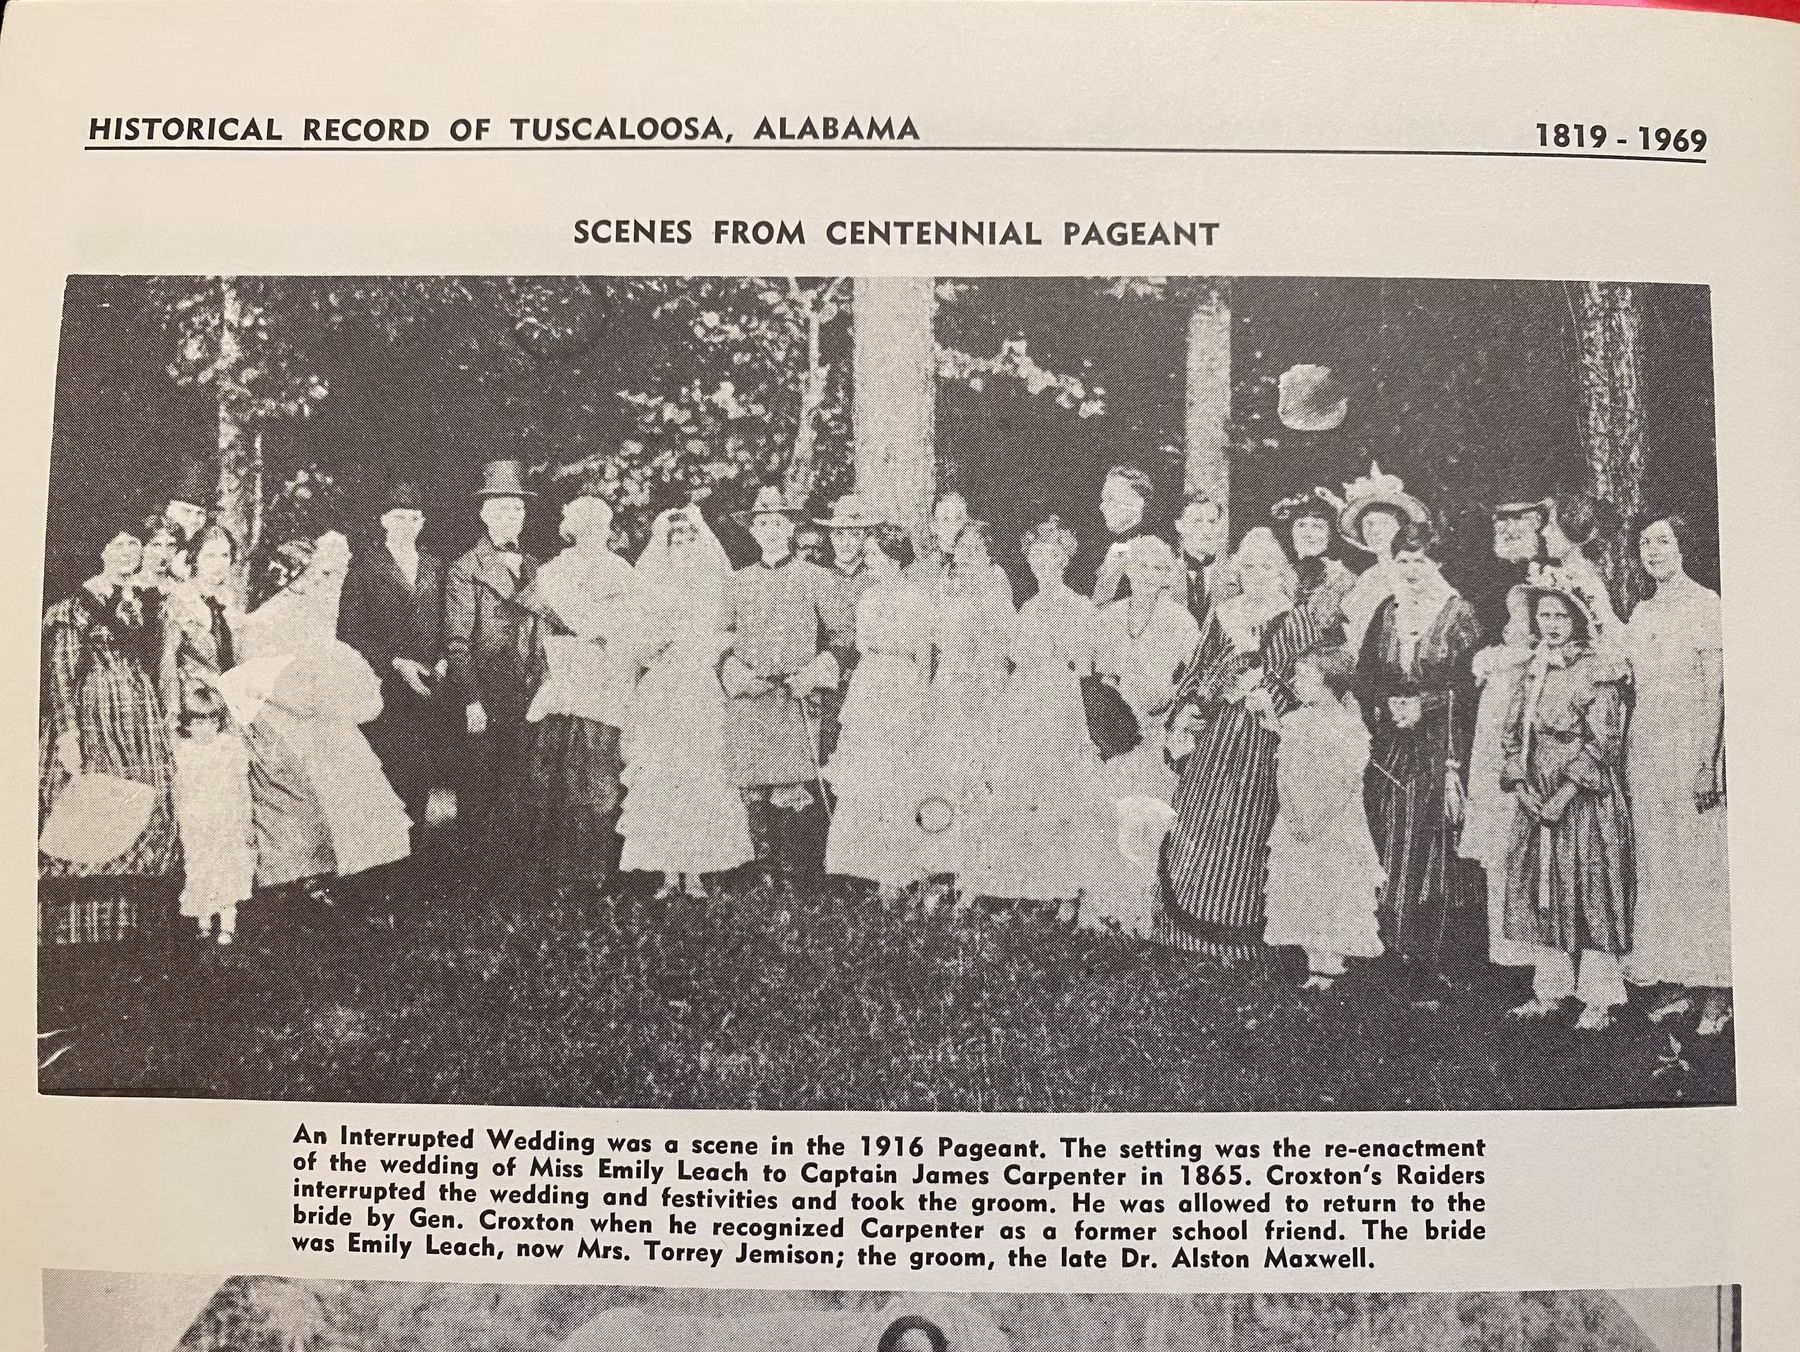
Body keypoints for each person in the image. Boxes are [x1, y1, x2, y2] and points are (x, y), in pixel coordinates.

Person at [1161, 526, 1323, 961]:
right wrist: (1193, 704)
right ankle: (1189, 931)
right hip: (1219, 730)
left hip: (1265, 736)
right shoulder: (1224, 612)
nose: (1256, 574)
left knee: (1247, 827)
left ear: (1282, 572)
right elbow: (1198, 670)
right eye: (1247, 566)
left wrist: (1268, 686)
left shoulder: (1296, 618)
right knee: (1201, 819)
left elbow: (1308, 685)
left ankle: (1241, 937)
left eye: (1266, 566)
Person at [236, 532, 412, 891]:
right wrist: (319, 697)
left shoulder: (313, 615)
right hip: (285, 721)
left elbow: (337, 665)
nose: (318, 583)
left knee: (356, 791)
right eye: (312, 575)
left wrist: (341, 693)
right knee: (318, 791)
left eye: (321, 575)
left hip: (324, 719)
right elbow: (269, 682)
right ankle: (315, 881)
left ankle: (360, 882)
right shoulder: (262, 622)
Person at [1500, 570, 1635, 1031]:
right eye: (1545, 615)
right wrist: (1521, 785)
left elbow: (1604, 743)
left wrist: (1564, 794)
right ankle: (1551, 988)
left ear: (1578, 620)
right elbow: (1514, 731)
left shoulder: (1597, 670)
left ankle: (1598, 997)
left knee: (1590, 885)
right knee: (1544, 888)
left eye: (1562, 615)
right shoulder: (1533, 668)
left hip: (1582, 794)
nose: (1553, 624)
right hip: (1538, 787)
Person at [38, 517, 181, 944]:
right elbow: (61, 675)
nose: (128, 553)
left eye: (134, 545)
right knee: (95, 803)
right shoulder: (74, 606)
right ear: (100, 551)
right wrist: (68, 735)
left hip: (140, 720)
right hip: (95, 717)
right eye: (118, 545)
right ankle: (82, 931)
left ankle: (133, 928)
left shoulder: (142, 602)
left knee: (147, 802)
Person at [1358, 521, 1484, 1000]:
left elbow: (1472, 686)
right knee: (1385, 836)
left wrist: (1427, 705)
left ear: (1439, 564)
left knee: (1429, 844)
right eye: (1403, 561)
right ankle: (1383, 945)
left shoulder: (1459, 615)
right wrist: (1386, 705)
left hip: (1440, 747)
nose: (1411, 572)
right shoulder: (1387, 612)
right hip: (1391, 746)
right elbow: (1366, 674)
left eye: (1420, 562)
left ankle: (1429, 955)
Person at [1621, 514, 1731, 1035]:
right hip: (1648, 752)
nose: (1653, 551)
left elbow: (1715, 689)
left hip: (1691, 748)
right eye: (1645, 543)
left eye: (1662, 541)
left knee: (1702, 865)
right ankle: (1676, 979)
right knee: (1660, 865)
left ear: (1683, 547)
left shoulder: (1707, 605)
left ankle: (1718, 990)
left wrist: (1710, 761)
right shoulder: (1640, 612)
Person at [966, 518, 1102, 909]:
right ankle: (1021, 883)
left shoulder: (1079, 607)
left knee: (1055, 791)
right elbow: (1014, 663)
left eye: (1053, 554)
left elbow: (1084, 667)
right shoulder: (1026, 607)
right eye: (1036, 554)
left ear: (1065, 560)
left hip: (1059, 704)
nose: (1043, 562)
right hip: (1023, 704)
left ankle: (1061, 887)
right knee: (1016, 788)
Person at [619, 505, 754, 897]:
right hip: (663, 688)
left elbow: (729, 632)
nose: (682, 547)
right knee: (663, 771)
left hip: (698, 685)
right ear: (665, 545)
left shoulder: (715, 586)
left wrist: (705, 647)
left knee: (699, 771)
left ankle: (695, 869)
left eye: (689, 540)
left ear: (700, 544)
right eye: (674, 541)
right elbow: (636, 638)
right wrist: (654, 648)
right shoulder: (653, 586)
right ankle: (666, 872)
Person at [514, 484, 643, 894]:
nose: (591, 532)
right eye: (582, 525)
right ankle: (549, 871)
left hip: (606, 686)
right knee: (552, 778)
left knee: (598, 777)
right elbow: (546, 626)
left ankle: (593, 872)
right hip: (561, 685)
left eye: (598, 525)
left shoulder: (622, 571)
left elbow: (628, 627)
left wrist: (603, 632)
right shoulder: (552, 572)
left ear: (606, 529)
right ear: (571, 529)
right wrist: (591, 629)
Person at [719, 486, 846, 881]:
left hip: (796, 697)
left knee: (795, 787)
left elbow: (843, 639)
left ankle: (802, 875)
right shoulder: (736, 582)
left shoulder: (816, 579)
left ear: (790, 528)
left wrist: (812, 675)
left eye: (778, 522)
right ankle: (760, 873)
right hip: (751, 698)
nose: (770, 530)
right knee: (753, 787)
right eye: (762, 523)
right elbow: (720, 639)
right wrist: (734, 673)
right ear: (753, 532)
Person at [1086, 535, 1200, 934]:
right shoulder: (1108, 617)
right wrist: (1112, 697)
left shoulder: (1180, 622)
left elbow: (1189, 681)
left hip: (1154, 733)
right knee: (1109, 815)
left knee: (1145, 821)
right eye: (1140, 566)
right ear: (1128, 570)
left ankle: (1140, 916)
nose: (1147, 576)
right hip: (1114, 733)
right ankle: (1102, 913)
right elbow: (1094, 672)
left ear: (1168, 575)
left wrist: (1161, 703)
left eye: (1157, 568)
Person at [1261, 644, 1384, 988]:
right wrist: (1294, 813)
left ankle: (1331, 961)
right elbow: (1286, 768)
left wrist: (1317, 818)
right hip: (1296, 814)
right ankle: (1314, 960)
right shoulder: (1296, 721)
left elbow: (1344, 781)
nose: (1295, 683)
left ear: (1329, 682)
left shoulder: (1346, 727)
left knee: (1332, 884)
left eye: (1304, 677)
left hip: (1331, 821)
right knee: (1302, 882)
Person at [823, 525, 934, 895]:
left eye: (872, 555)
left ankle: (897, 872)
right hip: (870, 686)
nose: (866, 561)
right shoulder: (867, 599)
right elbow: (863, 647)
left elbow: (922, 657)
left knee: (897, 777)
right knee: (867, 775)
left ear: (892, 558)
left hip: (901, 687)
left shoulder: (918, 599)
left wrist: (919, 704)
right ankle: (867, 866)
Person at [160, 524, 254, 942]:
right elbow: (167, 663)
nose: (220, 565)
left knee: (231, 814)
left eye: (226, 557)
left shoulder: (233, 602)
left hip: (229, 716)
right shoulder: (179, 602)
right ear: (195, 558)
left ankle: (228, 907)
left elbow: (240, 660)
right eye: (212, 555)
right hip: (196, 717)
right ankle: (201, 906)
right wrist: (175, 713)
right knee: (200, 814)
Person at [336, 482, 445, 838]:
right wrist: (395, 663)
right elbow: (350, 632)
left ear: (423, 522)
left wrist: (442, 659)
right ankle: (381, 870)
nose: (407, 525)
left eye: (414, 518)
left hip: (427, 690)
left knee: (420, 778)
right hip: (383, 691)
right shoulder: (366, 565)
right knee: (385, 780)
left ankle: (411, 867)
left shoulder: (434, 564)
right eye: (399, 517)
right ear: (384, 520)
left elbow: (448, 619)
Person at [444, 459, 540, 859]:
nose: (511, 517)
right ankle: (476, 886)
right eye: (501, 508)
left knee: (524, 787)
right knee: (482, 788)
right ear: (484, 514)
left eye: (517, 508)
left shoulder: (537, 566)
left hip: (531, 692)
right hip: (487, 695)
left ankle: (517, 884)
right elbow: (457, 643)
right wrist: (471, 700)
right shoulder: (465, 568)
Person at [917, 519, 1017, 891]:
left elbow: (1007, 646)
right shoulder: (945, 589)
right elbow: (934, 640)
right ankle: (940, 865)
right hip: (948, 688)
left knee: (978, 776)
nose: (967, 557)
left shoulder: (996, 592)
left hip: (983, 689)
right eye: (962, 549)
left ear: (989, 557)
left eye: (977, 551)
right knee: (943, 774)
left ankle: (976, 872)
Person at [1337, 462, 1430, 653]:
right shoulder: (1369, 577)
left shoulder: (1417, 569)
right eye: (1368, 524)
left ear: (1400, 527)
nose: (1375, 530)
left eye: (1383, 523)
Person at [1271, 487, 1354, 638]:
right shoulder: (1276, 574)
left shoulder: (1343, 579)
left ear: (1330, 535)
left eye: (1318, 526)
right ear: (1291, 531)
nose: (1308, 534)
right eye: (1301, 525)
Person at [1540, 490, 1623, 638]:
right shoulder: (1558, 574)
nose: (1544, 532)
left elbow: (1607, 637)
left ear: (1572, 530)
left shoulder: (1587, 583)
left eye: (1552, 526)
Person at [1088, 464, 1160, 604]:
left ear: (1138, 501)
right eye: (1104, 499)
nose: (1102, 506)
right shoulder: (1104, 548)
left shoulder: (1154, 550)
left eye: (1111, 498)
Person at [1172, 491, 1238, 631]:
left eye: (1212, 521)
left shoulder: (1236, 576)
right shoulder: (1162, 574)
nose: (1207, 529)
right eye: (1197, 521)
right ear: (1179, 526)